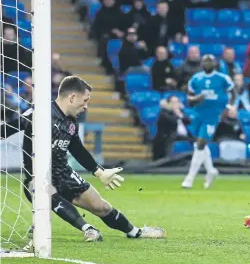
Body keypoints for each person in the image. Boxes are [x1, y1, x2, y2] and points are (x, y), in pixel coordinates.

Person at [0, 76, 165, 241]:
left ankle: (136, 232)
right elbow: (8, 128)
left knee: (101, 206)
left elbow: (77, 150)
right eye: (85, 100)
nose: (86, 106)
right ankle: (87, 229)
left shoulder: (71, 122)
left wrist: (99, 172)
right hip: (36, 179)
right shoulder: (40, 113)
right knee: (46, 191)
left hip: (64, 175)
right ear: (72, 97)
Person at [182, 55, 236, 190]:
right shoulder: (196, 79)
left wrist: (229, 107)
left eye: (210, 61)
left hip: (213, 115)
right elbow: (189, 98)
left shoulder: (222, 78)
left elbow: (233, 93)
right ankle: (211, 170)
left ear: (215, 62)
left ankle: (189, 178)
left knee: (200, 143)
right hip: (198, 113)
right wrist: (197, 98)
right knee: (198, 143)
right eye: (205, 61)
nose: (207, 63)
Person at [152, 95, 192, 160]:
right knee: (171, 140)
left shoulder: (180, 112)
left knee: (196, 140)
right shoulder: (164, 112)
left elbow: (188, 121)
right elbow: (172, 120)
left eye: (177, 102)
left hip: (181, 136)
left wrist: (179, 113)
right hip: (166, 137)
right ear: (168, 104)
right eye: (173, 102)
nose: (176, 104)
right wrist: (177, 113)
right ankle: (167, 159)